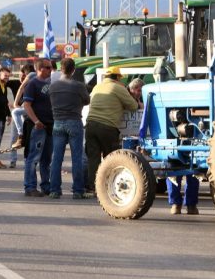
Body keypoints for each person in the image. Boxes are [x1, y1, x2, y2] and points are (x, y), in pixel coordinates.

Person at [85, 66, 140, 194]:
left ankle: (93, 187)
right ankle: (107, 186)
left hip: (91, 124)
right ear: (117, 78)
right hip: (107, 127)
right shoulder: (118, 88)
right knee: (110, 158)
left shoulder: (97, 87)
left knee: (93, 158)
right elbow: (133, 106)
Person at [48, 58, 91, 199]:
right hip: (74, 122)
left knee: (56, 158)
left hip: (58, 123)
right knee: (77, 158)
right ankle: (78, 191)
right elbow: (87, 100)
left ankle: (54, 190)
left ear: (61, 69)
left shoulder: (53, 86)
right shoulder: (78, 86)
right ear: (73, 70)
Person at [22, 59, 54, 197]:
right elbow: (27, 105)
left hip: (50, 125)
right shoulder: (32, 84)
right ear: (40, 69)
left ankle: (46, 186)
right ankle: (30, 187)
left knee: (46, 159)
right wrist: (36, 121)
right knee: (33, 158)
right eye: (48, 67)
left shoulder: (51, 84)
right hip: (38, 127)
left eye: (51, 67)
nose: (51, 70)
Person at [8, 64, 34, 168]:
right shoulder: (15, 83)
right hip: (19, 113)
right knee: (14, 138)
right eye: (20, 76)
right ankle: (13, 160)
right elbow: (2, 84)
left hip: (28, 113)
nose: (22, 78)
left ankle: (28, 160)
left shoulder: (33, 82)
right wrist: (14, 104)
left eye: (24, 76)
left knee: (30, 138)